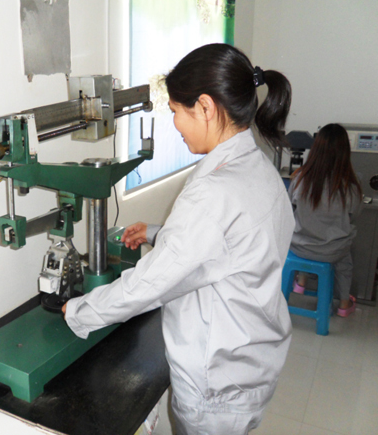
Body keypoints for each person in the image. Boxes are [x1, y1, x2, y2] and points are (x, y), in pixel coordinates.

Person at [62, 43, 295, 435]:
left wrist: (80, 312)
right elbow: (231, 245)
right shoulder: (258, 167)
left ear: (204, 107)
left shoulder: (215, 190)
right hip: (252, 361)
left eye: (175, 111)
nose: (174, 124)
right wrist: (159, 233)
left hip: (216, 386)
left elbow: (151, 284)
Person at [288, 123, 363, 317]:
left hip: (299, 246)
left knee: (307, 231)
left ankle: (301, 282)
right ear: (345, 152)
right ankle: (344, 304)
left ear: (315, 150)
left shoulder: (300, 178)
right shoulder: (350, 186)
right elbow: (354, 215)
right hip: (332, 251)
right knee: (344, 261)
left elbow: (290, 207)